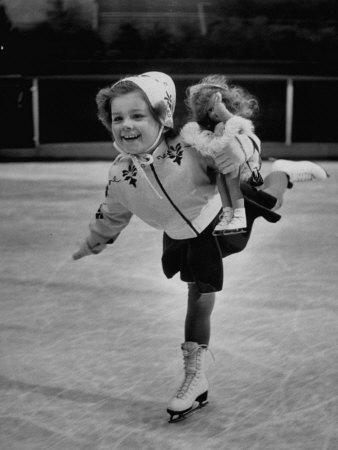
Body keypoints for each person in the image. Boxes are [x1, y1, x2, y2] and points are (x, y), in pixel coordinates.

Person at [72, 72, 328, 423]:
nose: (126, 125)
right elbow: (112, 212)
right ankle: (196, 374)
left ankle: (283, 172)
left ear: (162, 117)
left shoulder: (190, 146)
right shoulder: (119, 174)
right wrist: (94, 239)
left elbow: (242, 151)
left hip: (220, 218)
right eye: (118, 118)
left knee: (267, 199)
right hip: (180, 236)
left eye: (137, 115)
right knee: (198, 291)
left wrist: (234, 150)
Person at [182, 74, 263, 235]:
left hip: (245, 172)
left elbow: (246, 135)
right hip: (225, 167)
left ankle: (240, 216)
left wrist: (222, 110)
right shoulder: (212, 128)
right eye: (210, 110)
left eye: (219, 106)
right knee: (222, 183)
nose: (214, 113)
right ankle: (228, 214)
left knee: (235, 185)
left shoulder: (236, 123)